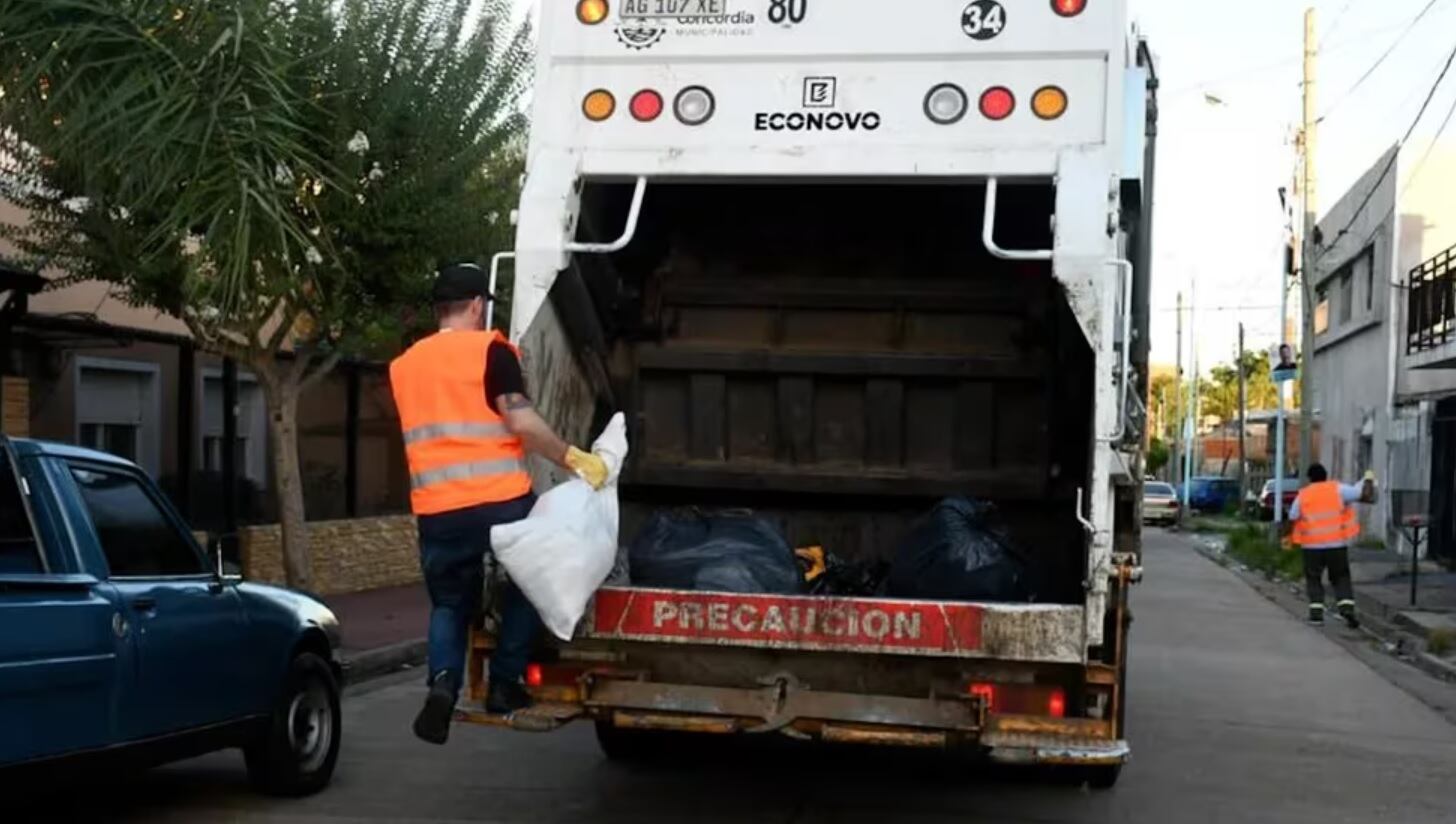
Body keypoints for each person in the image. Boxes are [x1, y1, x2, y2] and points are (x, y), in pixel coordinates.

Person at [390, 262, 611, 745]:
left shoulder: (405, 366)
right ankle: (506, 683)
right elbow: (522, 423)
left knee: (449, 603)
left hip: (437, 510)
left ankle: (443, 684)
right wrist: (571, 456)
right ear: (476, 306)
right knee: (535, 577)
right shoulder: (490, 352)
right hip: (500, 502)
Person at [1285, 463, 1377, 628]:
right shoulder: (1338, 489)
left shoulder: (1304, 495)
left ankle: (1316, 616)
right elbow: (1360, 493)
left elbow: (1293, 515)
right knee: (1341, 577)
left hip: (1311, 547)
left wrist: (1286, 538)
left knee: (1314, 579)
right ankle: (1347, 609)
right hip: (1336, 545)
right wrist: (1367, 479)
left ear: (1310, 478)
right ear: (1325, 476)